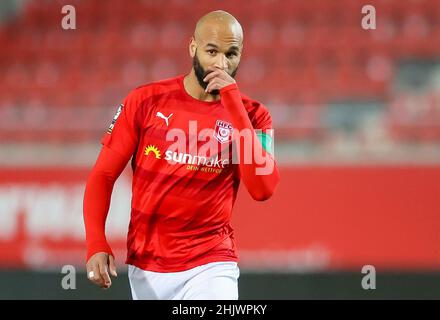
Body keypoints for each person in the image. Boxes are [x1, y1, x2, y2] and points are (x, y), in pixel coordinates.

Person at [83, 10, 279, 300]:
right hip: (147, 264)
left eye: (231, 53)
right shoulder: (144, 101)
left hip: (212, 263)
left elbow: (263, 189)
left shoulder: (254, 115)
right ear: (192, 47)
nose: (221, 63)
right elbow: (103, 174)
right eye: (212, 51)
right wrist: (96, 243)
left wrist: (234, 105)